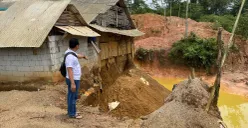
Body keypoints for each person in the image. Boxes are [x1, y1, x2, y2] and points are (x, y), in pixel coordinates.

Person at [65, 38, 87, 119]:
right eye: (78, 45)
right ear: (77, 46)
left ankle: (71, 111)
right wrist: (73, 83)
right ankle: (72, 114)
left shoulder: (70, 52)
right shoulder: (70, 57)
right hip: (73, 79)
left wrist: (83, 56)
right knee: (73, 96)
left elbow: (77, 55)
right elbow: (69, 69)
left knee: (71, 95)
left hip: (74, 79)